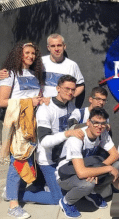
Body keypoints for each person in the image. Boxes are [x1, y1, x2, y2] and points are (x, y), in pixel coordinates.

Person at [0, 42, 44, 219]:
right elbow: (2, 101)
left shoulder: (34, 74)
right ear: (19, 54)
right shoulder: (9, 73)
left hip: (32, 123)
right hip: (18, 123)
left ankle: (9, 192)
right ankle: (13, 205)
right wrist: (29, 103)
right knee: (17, 161)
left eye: (33, 53)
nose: (31, 56)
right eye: (27, 52)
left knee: (26, 159)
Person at [56, 107, 119, 218]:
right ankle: (66, 202)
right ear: (88, 122)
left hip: (88, 167)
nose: (99, 126)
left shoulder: (102, 133)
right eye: (95, 122)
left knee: (118, 166)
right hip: (66, 174)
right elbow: (81, 173)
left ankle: (93, 192)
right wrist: (107, 168)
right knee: (88, 183)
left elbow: (115, 154)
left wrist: (96, 172)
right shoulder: (77, 139)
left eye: (102, 123)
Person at [35, 75, 84, 207]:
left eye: (73, 90)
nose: (70, 92)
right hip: (48, 160)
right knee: (58, 199)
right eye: (66, 88)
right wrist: (67, 133)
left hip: (62, 159)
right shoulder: (46, 108)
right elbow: (44, 141)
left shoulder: (71, 106)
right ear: (58, 88)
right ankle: (19, 194)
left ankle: (48, 186)